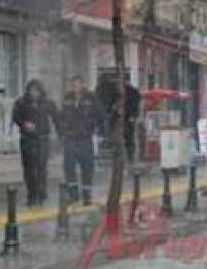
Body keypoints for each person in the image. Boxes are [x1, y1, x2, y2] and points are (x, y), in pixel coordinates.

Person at [12, 79, 60, 206]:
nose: (34, 93)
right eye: (32, 90)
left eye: (37, 91)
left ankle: (41, 192)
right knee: (29, 168)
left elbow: (56, 118)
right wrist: (24, 124)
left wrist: (60, 134)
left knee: (41, 167)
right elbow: (15, 117)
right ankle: (31, 194)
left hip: (42, 139)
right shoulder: (21, 103)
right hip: (27, 139)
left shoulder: (48, 103)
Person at [61, 75, 103, 205]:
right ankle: (73, 195)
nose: (75, 87)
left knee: (87, 168)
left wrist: (96, 129)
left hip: (85, 138)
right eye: (73, 84)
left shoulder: (91, 97)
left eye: (78, 84)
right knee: (69, 166)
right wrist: (63, 129)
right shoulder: (67, 97)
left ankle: (86, 196)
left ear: (82, 84)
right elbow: (62, 115)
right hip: (70, 137)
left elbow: (99, 114)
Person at [96, 72, 141, 162]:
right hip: (114, 118)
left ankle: (129, 157)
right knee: (115, 138)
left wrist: (133, 116)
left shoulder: (132, 91)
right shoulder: (108, 90)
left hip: (126, 119)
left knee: (127, 138)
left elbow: (135, 104)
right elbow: (104, 104)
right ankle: (116, 155)